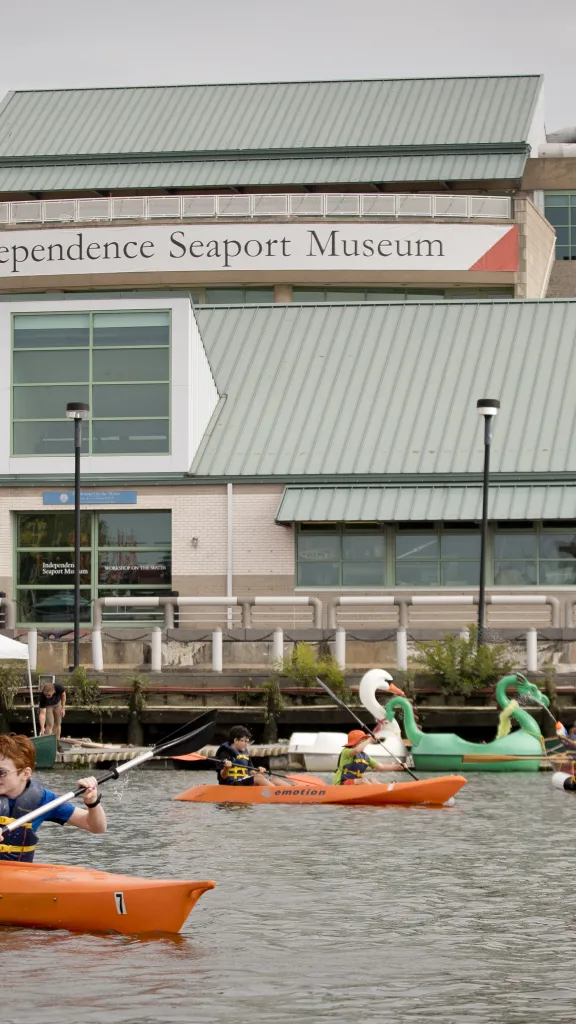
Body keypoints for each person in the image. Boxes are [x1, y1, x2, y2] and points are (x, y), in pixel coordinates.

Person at [0, 733, 106, 862]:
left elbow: (97, 827)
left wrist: (92, 802)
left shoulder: (43, 800)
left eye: (1, 772)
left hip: (19, 875)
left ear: (25, 773)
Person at [215, 726, 290, 788]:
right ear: (236, 740)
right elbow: (223, 776)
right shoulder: (224, 753)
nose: (246, 744)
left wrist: (259, 772)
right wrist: (226, 767)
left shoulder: (245, 754)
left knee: (275, 780)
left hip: (243, 781)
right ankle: (277, 794)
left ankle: (296, 791)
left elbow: (252, 773)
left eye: (248, 741)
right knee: (259, 778)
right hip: (231, 784)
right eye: (245, 741)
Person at [334, 730, 406, 786]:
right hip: (342, 782)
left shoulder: (365, 756)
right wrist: (369, 740)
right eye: (363, 740)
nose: (365, 742)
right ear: (355, 742)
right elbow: (357, 750)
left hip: (355, 783)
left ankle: (387, 789)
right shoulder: (346, 751)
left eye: (365, 740)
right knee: (363, 780)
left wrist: (398, 767)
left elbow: (381, 766)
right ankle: (379, 792)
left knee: (373, 780)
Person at [38, 681, 66, 748]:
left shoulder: (58, 687)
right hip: (48, 706)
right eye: (46, 695)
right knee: (50, 724)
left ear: (54, 691)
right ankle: (48, 743)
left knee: (58, 723)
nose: (47, 696)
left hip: (57, 704)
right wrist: (42, 727)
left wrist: (63, 708)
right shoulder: (42, 697)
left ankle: (57, 742)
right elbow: (42, 714)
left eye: (49, 695)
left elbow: (64, 695)